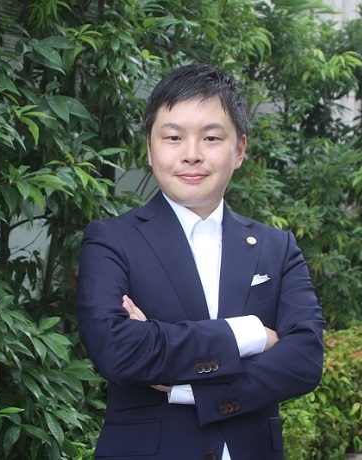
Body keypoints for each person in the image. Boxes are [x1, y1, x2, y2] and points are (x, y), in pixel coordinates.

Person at [75, 64, 324, 460]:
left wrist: (188, 388)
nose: (191, 155)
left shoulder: (277, 247)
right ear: (150, 149)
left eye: (211, 137)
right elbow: (116, 349)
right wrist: (252, 334)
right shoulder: (112, 240)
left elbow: (304, 360)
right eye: (173, 137)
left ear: (239, 150)